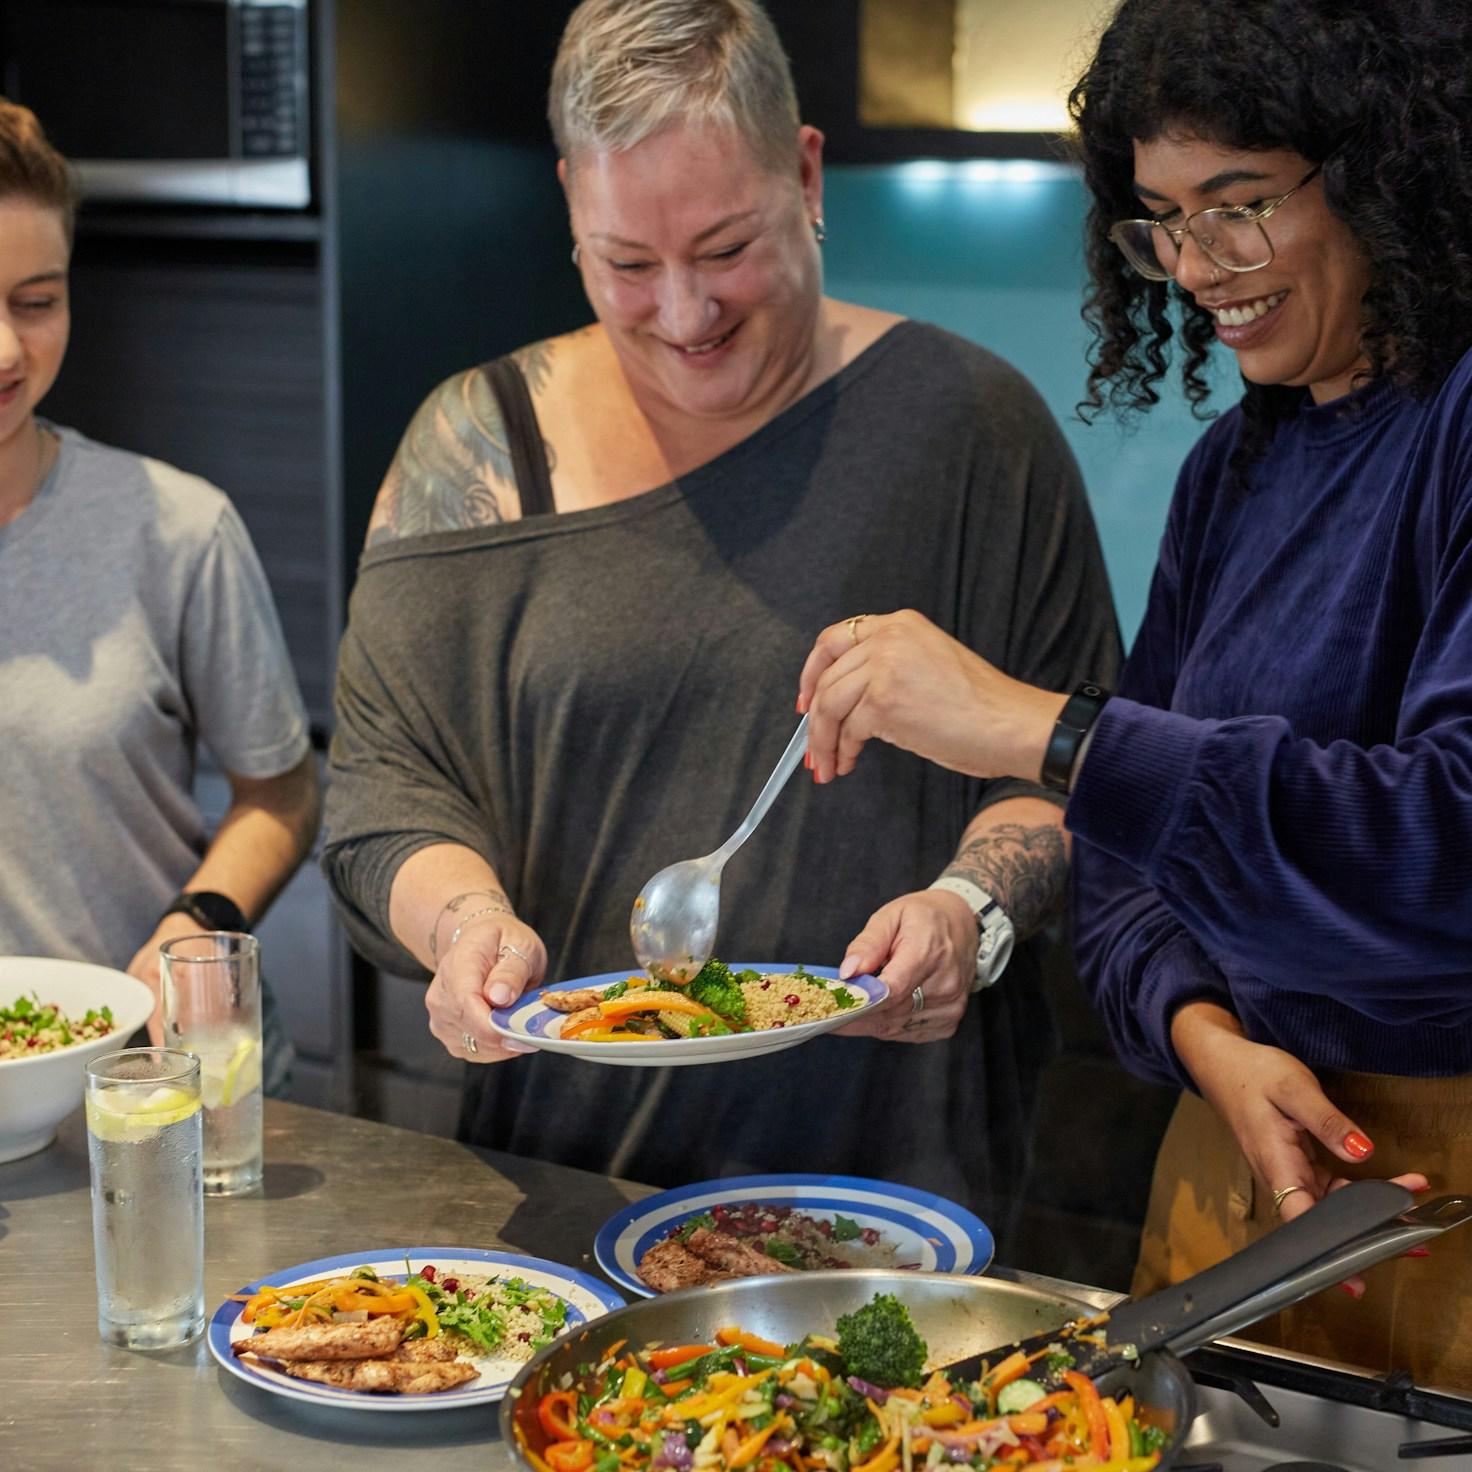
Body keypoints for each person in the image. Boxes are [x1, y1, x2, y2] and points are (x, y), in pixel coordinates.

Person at [322, 0, 1118, 1233]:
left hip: (897, 1205)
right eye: (626, 263)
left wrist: (970, 907)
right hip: (567, 1192)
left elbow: (1075, 766)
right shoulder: (474, 445)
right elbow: (383, 796)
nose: (684, 313)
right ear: (569, 213)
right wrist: (464, 921)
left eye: (725, 247)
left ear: (804, 174)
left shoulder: (970, 430)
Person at [798, 0, 1472, 1387]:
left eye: (1239, 205)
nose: (1198, 268)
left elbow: (1447, 847)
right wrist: (1207, 1038)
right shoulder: (1238, 466)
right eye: (1160, 219)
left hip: (1443, 1202)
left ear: (1385, 173)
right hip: (1229, 1163)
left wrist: (1034, 727)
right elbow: (1119, 864)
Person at [0, 99, 320, 1094]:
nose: (6, 350)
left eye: (36, 300)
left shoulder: (176, 528)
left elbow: (283, 791)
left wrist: (202, 922)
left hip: (163, 1095)